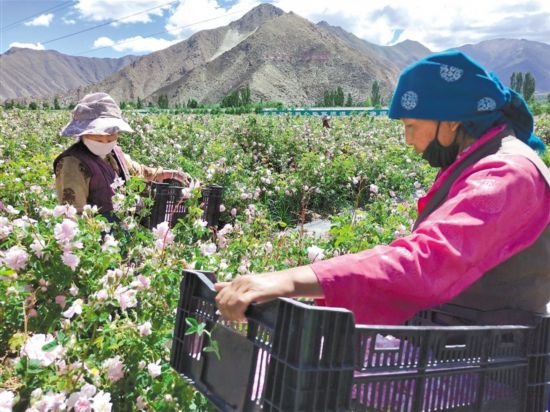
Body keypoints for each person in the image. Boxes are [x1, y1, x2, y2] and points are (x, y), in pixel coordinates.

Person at [215, 50, 550, 324]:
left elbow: (428, 259)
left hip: (487, 361)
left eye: (411, 125)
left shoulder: (508, 172)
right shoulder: (480, 160)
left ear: (450, 121)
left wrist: (288, 281)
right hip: (458, 337)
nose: (408, 140)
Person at [54, 92, 189, 221]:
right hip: (98, 235)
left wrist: (171, 174)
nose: (106, 138)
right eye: (99, 133)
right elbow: (73, 215)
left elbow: (140, 172)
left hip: (122, 230)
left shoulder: (114, 153)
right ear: (84, 132)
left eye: (111, 132)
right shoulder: (72, 163)